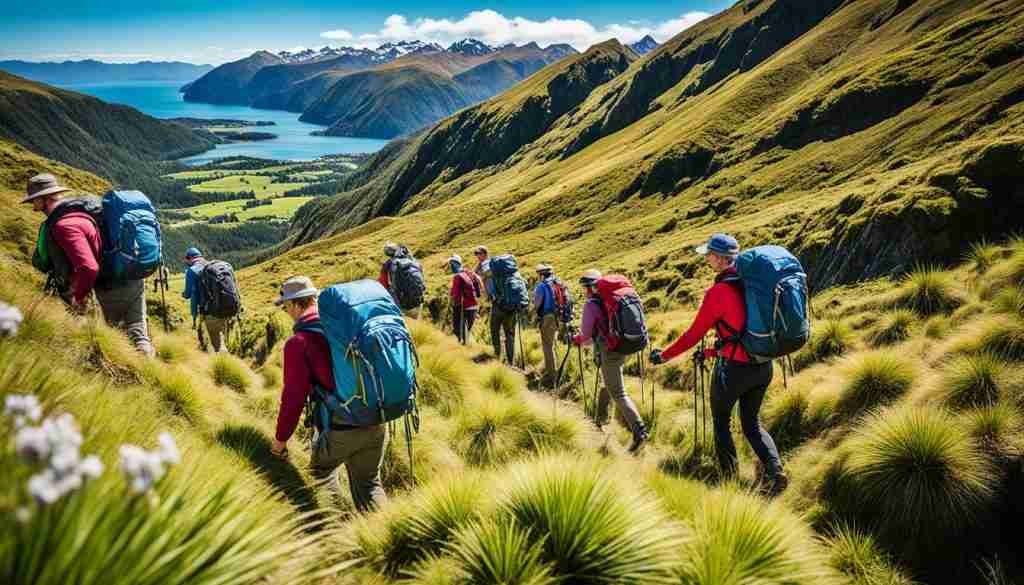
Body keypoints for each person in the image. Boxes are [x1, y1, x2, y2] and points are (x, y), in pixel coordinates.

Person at [649, 233, 788, 496]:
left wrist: (664, 356)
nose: (707, 260)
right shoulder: (753, 284)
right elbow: (742, 332)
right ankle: (775, 470)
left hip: (734, 371)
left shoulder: (718, 292)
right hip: (763, 364)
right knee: (752, 424)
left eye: (709, 256)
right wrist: (713, 352)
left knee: (721, 421)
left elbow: (693, 335)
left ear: (720, 259)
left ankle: (730, 481)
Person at [270, 276, 388, 513]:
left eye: (285, 306)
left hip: (340, 427)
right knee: (369, 484)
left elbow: (293, 397)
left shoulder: (299, 342)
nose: (285, 311)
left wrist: (280, 440)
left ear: (294, 304)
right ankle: (392, 541)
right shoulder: (345, 325)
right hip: (377, 416)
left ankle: (334, 533)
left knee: (320, 476)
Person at [25, 173, 154, 357]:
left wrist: (78, 298)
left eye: (33, 200)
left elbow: (88, 267)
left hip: (110, 288)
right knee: (139, 337)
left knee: (117, 346)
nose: (32, 206)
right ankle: (152, 378)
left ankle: (132, 381)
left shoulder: (64, 225)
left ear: (43, 198)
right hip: (133, 275)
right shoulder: (84, 208)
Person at [572, 269, 649, 452]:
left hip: (609, 350)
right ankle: (600, 418)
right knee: (609, 381)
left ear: (590, 288)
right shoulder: (612, 299)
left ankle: (640, 432)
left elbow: (586, 336)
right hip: (622, 345)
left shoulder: (591, 304)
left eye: (585, 288)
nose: (584, 291)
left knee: (619, 393)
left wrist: (575, 339)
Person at [181, 248, 231, 353]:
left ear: (189, 258)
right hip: (225, 305)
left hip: (210, 310)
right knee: (221, 337)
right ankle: (222, 359)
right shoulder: (212, 266)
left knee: (217, 343)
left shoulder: (192, 271)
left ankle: (223, 364)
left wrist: (184, 295)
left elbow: (188, 294)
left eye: (187, 260)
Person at [533, 264, 560, 387]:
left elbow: (537, 303)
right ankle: (558, 371)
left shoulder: (542, 286)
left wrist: (534, 315)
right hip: (559, 317)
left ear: (542, 274)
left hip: (548, 317)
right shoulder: (558, 283)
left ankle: (552, 376)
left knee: (547, 347)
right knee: (554, 344)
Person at [449, 254, 483, 344]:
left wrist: (453, 302)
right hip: (474, 305)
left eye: (451, 264)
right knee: (467, 330)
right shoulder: (469, 272)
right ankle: (467, 346)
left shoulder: (457, 276)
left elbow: (455, 294)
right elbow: (478, 288)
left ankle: (462, 348)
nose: (451, 266)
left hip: (463, 305)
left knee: (458, 330)